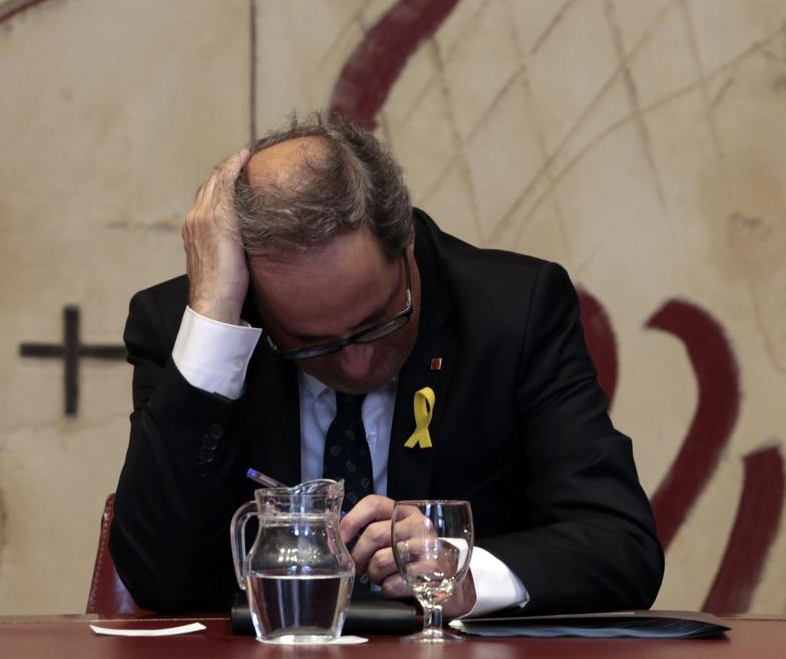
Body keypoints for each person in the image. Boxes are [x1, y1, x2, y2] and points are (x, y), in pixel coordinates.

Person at [110, 113, 663, 617]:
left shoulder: (513, 312)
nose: (356, 363)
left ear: (408, 243)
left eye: (379, 321)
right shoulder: (190, 327)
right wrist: (213, 326)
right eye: (310, 344)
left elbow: (620, 544)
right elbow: (162, 579)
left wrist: (462, 575)